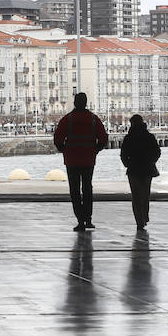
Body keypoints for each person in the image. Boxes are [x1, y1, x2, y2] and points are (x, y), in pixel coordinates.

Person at [53, 92, 108, 231]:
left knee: (75, 190)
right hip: (88, 159)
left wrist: (64, 150)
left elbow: (58, 138)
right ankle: (88, 219)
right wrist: (95, 149)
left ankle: (80, 220)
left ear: (75, 103)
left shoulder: (68, 119)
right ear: (86, 103)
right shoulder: (94, 119)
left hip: (71, 160)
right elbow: (103, 139)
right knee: (88, 189)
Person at [119, 114, 161, 231]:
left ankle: (139, 220)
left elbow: (123, 154)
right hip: (147, 169)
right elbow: (157, 152)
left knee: (136, 196)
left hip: (133, 169)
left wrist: (127, 164)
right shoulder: (149, 137)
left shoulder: (129, 138)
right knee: (145, 194)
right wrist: (151, 161)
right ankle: (145, 216)